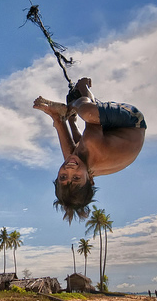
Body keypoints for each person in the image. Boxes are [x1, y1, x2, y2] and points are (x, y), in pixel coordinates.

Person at [33, 77, 146, 223]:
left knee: (71, 156)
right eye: (76, 178)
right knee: (88, 112)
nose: (70, 169)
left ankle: (69, 116)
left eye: (63, 177)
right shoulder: (94, 147)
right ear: (90, 180)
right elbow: (92, 119)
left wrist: (56, 116)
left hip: (108, 137)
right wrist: (73, 106)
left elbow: (73, 144)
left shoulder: (79, 165)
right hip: (131, 123)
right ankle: (83, 87)